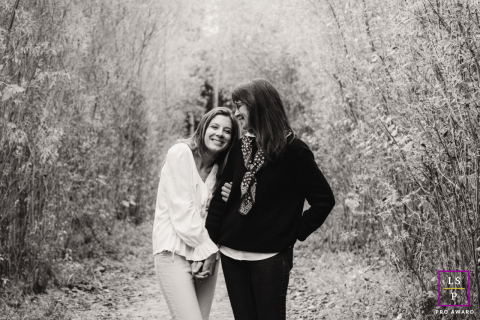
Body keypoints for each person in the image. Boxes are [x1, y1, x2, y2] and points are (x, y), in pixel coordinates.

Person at [204, 79, 335, 320]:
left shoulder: (293, 150)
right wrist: (209, 244)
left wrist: (293, 232)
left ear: (257, 106)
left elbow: (323, 200)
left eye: (239, 106)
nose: (235, 113)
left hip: (270, 259)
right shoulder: (240, 147)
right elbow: (220, 200)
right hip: (232, 255)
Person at [152, 107, 239, 320]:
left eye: (227, 131)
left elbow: (222, 216)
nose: (220, 134)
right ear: (203, 128)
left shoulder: (224, 170)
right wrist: (208, 251)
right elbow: (182, 211)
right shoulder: (180, 153)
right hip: (174, 252)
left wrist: (232, 196)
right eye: (215, 127)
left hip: (207, 256)